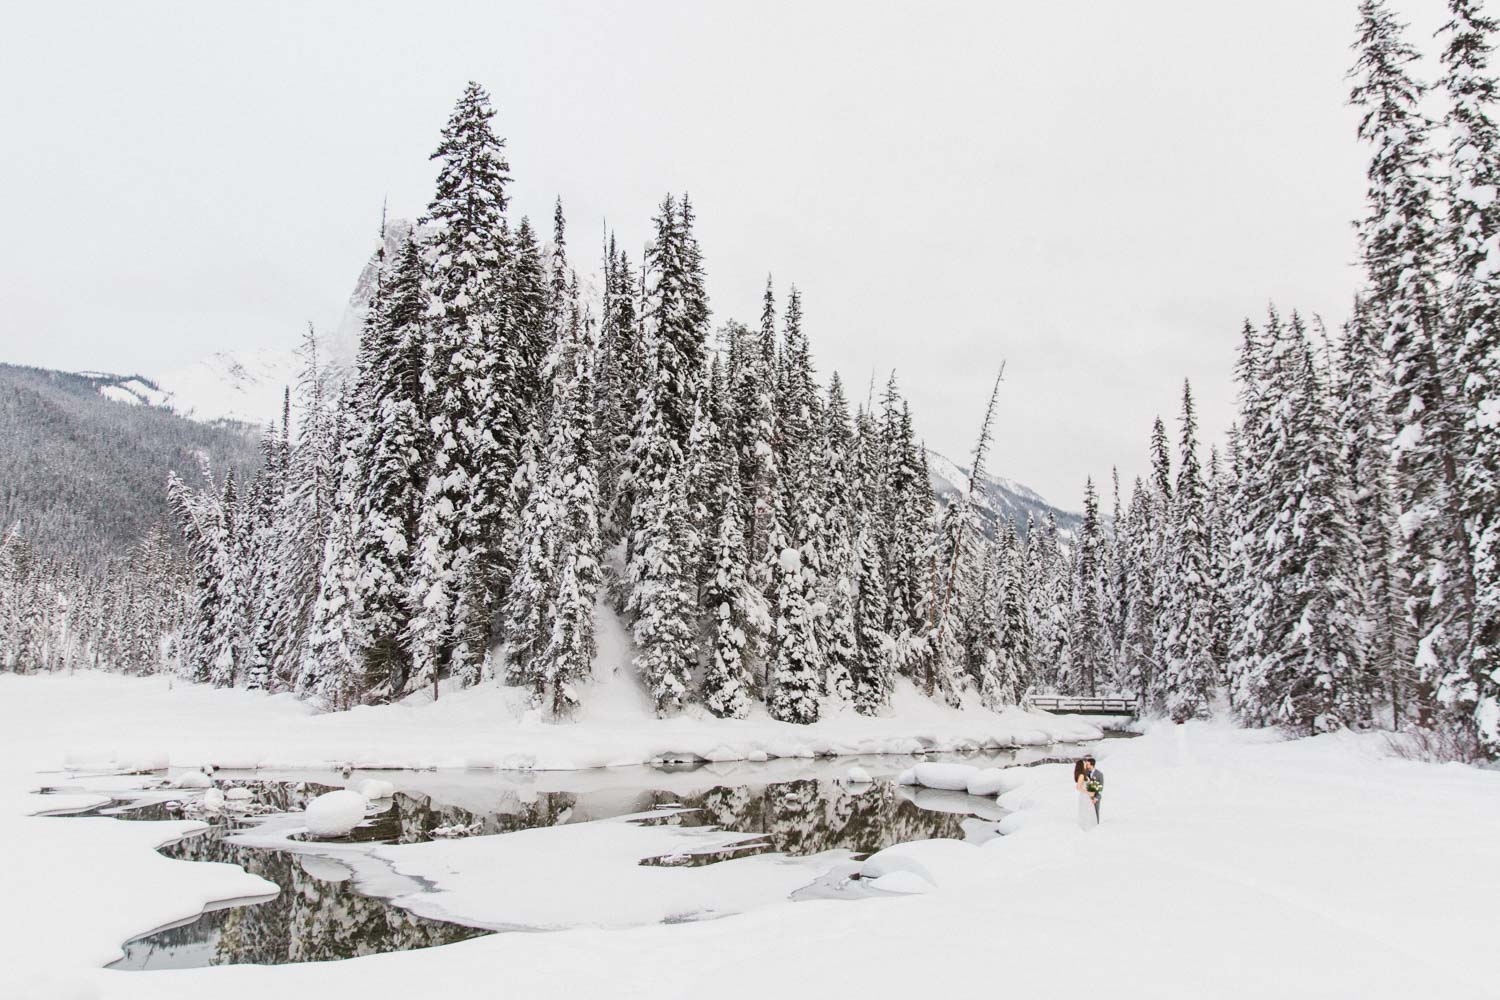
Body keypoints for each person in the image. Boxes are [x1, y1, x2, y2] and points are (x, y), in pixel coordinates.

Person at [1074, 759, 1098, 831]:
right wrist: (1088, 792)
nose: (1086, 764)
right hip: (1084, 797)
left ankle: (1091, 827)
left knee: (1090, 811)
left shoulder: (1084, 774)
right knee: (1086, 812)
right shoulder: (1081, 775)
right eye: (1084, 763)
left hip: (1087, 797)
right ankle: (1086, 828)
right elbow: (1078, 787)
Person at [1084, 755, 1103, 823]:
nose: (1086, 765)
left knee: (1095, 812)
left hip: (1095, 797)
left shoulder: (1099, 774)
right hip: (1087, 796)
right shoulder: (1085, 772)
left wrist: (1096, 798)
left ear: (1092, 765)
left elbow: (1101, 787)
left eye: (1087, 764)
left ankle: (1096, 825)